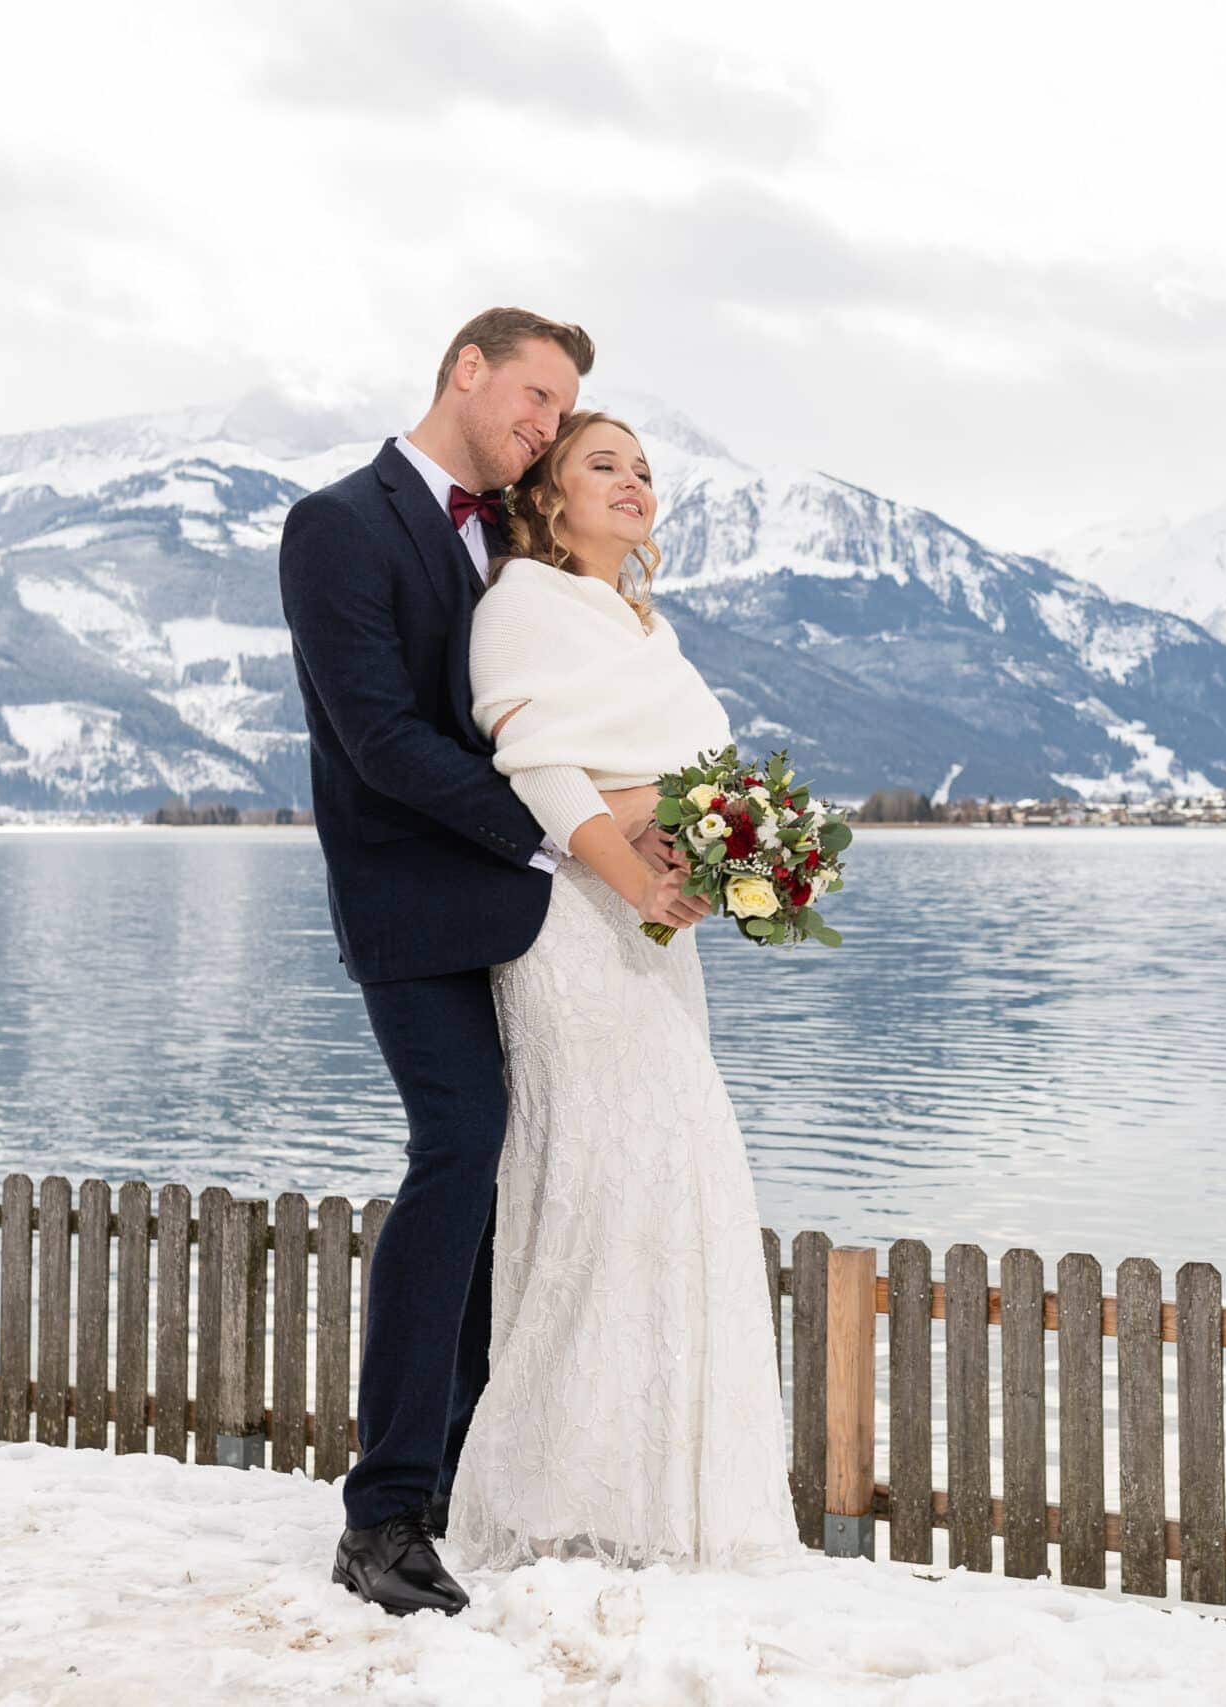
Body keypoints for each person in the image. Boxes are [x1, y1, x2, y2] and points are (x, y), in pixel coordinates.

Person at [278, 310, 704, 1618]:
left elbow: (562, 711)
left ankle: (477, 1463)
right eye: (535, 395)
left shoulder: (521, 544)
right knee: (461, 1145)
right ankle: (384, 1514)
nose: (546, 422)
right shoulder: (336, 525)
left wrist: (655, 826)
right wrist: (574, 831)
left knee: (533, 1171)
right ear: (467, 370)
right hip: (415, 905)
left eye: (561, 407)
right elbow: (379, 739)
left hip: (542, 915)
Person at [445, 410, 800, 1570]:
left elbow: (689, 775)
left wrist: (731, 859)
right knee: (594, 1189)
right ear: (548, 494)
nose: (633, 481)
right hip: (574, 925)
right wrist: (635, 876)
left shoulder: (645, 625)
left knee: (678, 1181)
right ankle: (553, 1496)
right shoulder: (519, 606)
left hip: (655, 931)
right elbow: (539, 765)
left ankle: (660, 1496)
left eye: (644, 469)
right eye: (602, 464)